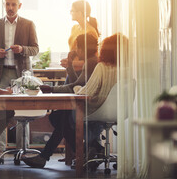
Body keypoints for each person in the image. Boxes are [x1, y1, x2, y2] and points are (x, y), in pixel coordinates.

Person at [23, 33, 128, 169]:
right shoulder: (125, 69)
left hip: (95, 108)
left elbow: (80, 88)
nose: (76, 51)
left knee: (59, 117)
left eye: (78, 47)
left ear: (83, 48)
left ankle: (80, 153)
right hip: (114, 109)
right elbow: (77, 83)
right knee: (59, 117)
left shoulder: (94, 63)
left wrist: (52, 89)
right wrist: (71, 68)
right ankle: (91, 151)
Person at [0, 0, 39, 153]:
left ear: (19, 6)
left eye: (13, 5)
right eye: (7, 4)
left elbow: (36, 49)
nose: (10, 8)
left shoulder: (28, 24)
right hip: (2, 74)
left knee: (23, 110)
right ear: (4, 4)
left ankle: (22, 149)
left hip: (21, 75)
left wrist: (23, 49)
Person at [60, 0, 99, 73]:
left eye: (72, 11)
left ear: (80, 13)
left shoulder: (90, 31)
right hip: (72, 69)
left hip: (82, 71)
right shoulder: (74, 28)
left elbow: (93, 60)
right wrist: (69, 62)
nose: (70, 13)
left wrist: (71, 63)